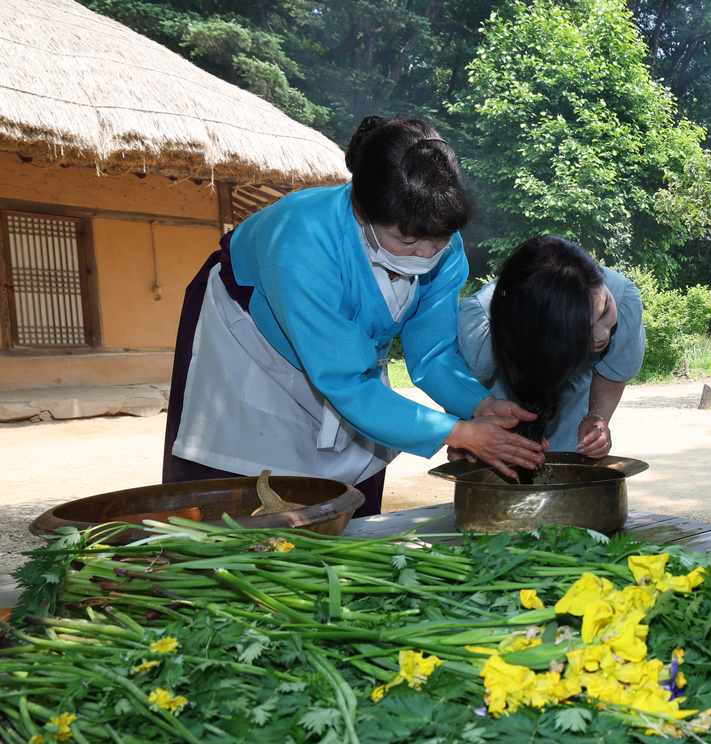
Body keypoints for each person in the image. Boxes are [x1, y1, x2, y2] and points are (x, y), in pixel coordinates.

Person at [163, 115, 544, 516]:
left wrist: (478, 405)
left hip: (347, 366)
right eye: (408, 240)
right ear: (362, 211)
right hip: (249, 346)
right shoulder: (301, 238)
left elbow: (432, 354)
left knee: (349, 488)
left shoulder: (437, 237)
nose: (429, 253)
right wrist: (460, 433)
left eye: (441, 239)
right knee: (240, 488)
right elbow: (345, 381)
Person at [455, 235, 645, 457]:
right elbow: (458, 387)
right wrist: (466, 432)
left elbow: (613, 372)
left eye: (605, 313)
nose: (602, 335)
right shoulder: (483, 323)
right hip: (495, 403)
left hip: (571, 408)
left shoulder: (622, 298)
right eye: (582, 330)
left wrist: (597, 417)